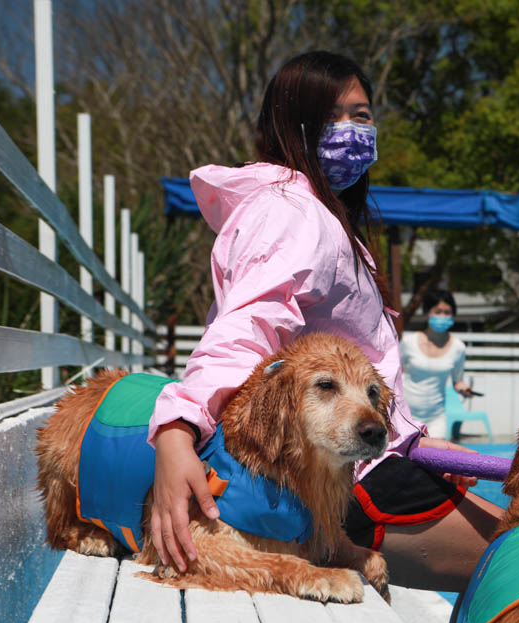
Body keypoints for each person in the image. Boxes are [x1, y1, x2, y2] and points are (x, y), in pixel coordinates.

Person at [147, 51, 500, 591]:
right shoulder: (290, 210)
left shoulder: (321, 213)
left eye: (363, 115)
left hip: (359, 462)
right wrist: (176, 432)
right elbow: (245, 330)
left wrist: (416, 442)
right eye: (334, 116)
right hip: (335, 482)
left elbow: (363, 376)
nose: (355, 130)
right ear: (292, 123)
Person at [400, 288, 476, 438]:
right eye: (438, 311)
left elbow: (457, 381)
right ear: (427, 312)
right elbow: (393, 373)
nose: (442, 316)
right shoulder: (409, 342)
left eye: (447, 312)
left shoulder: (458, 348)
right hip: (405, 416)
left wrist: (464, 389)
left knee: (434, 459)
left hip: (436, 419)